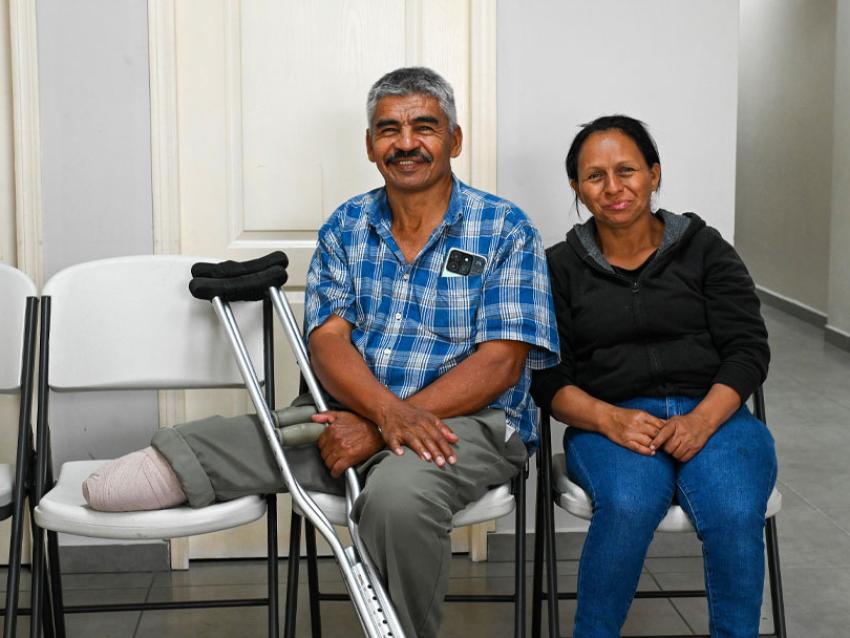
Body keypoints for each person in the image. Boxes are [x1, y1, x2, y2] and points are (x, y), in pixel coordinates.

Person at [84, 66, 559, 638]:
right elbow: (328, 342)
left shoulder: (504, 227)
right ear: (369, 145)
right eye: (388, 129)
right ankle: (182, 462)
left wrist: (385, 427)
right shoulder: (347, 226)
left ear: (454, 140)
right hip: (353, 411)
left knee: (397, 500)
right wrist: (383, 416)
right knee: (252, 438)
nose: (405, 143)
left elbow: (501, 362)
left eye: (424, 127)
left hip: (470, 423)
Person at [530, 115, 776, 638]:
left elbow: (748, 349)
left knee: (734, 511)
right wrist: (609, 419)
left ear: (654, 174)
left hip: (716, 415)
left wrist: (702, 421)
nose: (613, 188)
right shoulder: (557, 268)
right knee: (628, 504)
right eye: (594, 176)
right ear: (575, 186)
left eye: (627, 170)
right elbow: (547, 378)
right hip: (611, 423)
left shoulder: (705, 249)